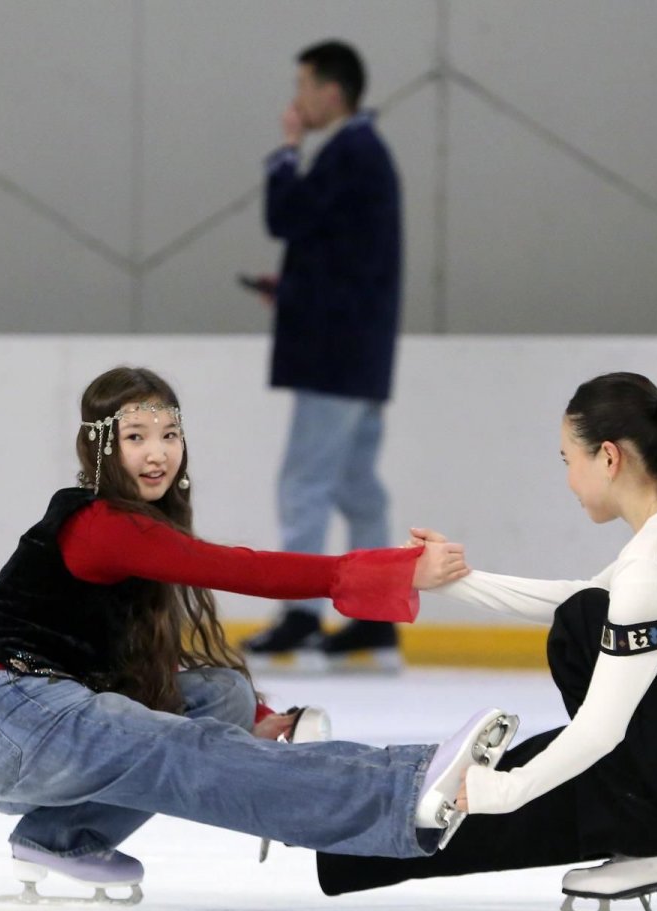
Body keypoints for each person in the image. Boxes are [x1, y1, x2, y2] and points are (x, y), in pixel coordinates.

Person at [0, 366, 517, 903]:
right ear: (101, 447)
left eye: (169, 435)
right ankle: (403, 791)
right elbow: (241, 569)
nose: (157, 453)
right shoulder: (99, 526)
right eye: (136, 437)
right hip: (7, 720)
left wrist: (256, 716)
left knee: (224, 695)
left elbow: (130, 660)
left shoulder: (131, 527)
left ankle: (62, 834)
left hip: (48, 714)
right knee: (183, 748)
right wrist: (396, 570)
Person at [316, 372, 657, 911]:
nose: (569, 479)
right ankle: (655, 844)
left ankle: (653, 847)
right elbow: (591, 598)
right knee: (585, 619)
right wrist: (453, 580)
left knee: (581, 632)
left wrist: (504, 790)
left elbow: (601, 727)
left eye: (568, 459)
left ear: (610, 458)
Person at [242, 40, 404, 671]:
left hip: (335, 356)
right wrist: (296, 289)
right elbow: (344, 253)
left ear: (331, 93)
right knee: (357, 487)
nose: (297, 99)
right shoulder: (363, 156)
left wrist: (285, 153)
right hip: (358, 352)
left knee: (305, 481)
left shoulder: (348, 152)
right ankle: (374, 619)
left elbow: (287, 217)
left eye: (304, 85)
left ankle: (302, 612)